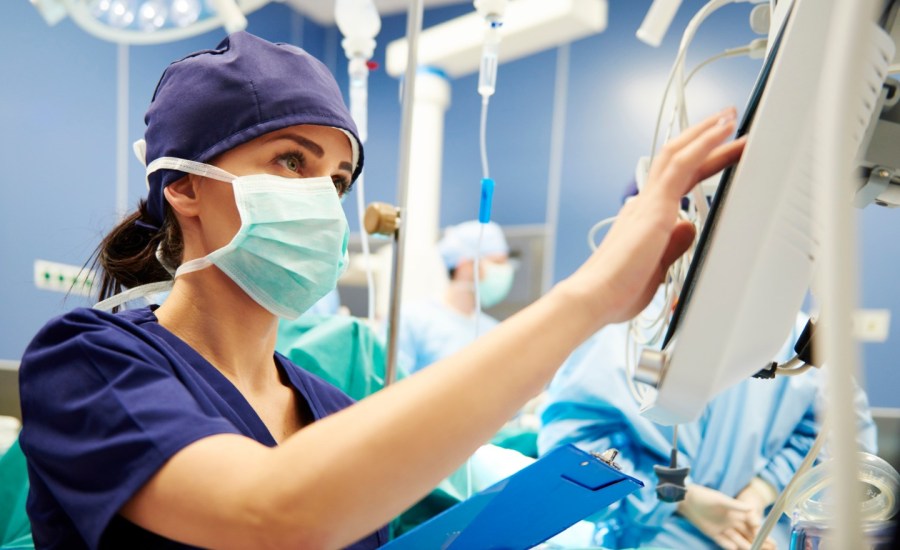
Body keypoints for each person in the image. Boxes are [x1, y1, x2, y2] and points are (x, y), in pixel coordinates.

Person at [16, 30, 746, 549]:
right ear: (183, 186)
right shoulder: (90, 364)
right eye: (291, 161)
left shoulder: (329, 409)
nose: (322, 196)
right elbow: (273, 517)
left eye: (336, 179)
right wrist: (587, 300)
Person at [538, 292, 879, 550]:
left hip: (758, 534)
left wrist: (760, 492)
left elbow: (834, 435)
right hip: (658, 536)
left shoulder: (791, 342)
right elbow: (576, 454)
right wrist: (679, 498)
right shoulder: (630, 331)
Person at [397, 220, 513, 375]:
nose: (505, 271)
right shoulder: (412, 319)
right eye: (497, 262)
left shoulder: (495, 332)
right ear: (465, 266)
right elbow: (388, 388)